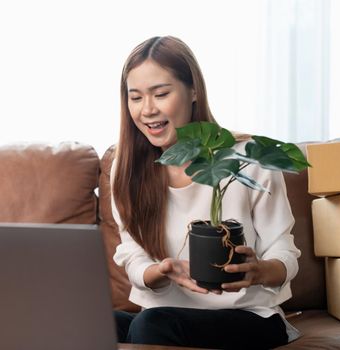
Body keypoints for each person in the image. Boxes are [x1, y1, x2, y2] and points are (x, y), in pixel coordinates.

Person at [111, 36, 301, 349]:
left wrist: (261, 270)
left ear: (194, 91)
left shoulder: (246, 159)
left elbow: (284, 250)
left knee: (150, 325)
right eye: (135, 97)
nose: (147, 109)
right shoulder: (127, 168)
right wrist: (159, 271)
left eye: (161, 94)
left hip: (249, 317)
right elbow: (133, 254)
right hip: (163, 317)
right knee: (92, 324)